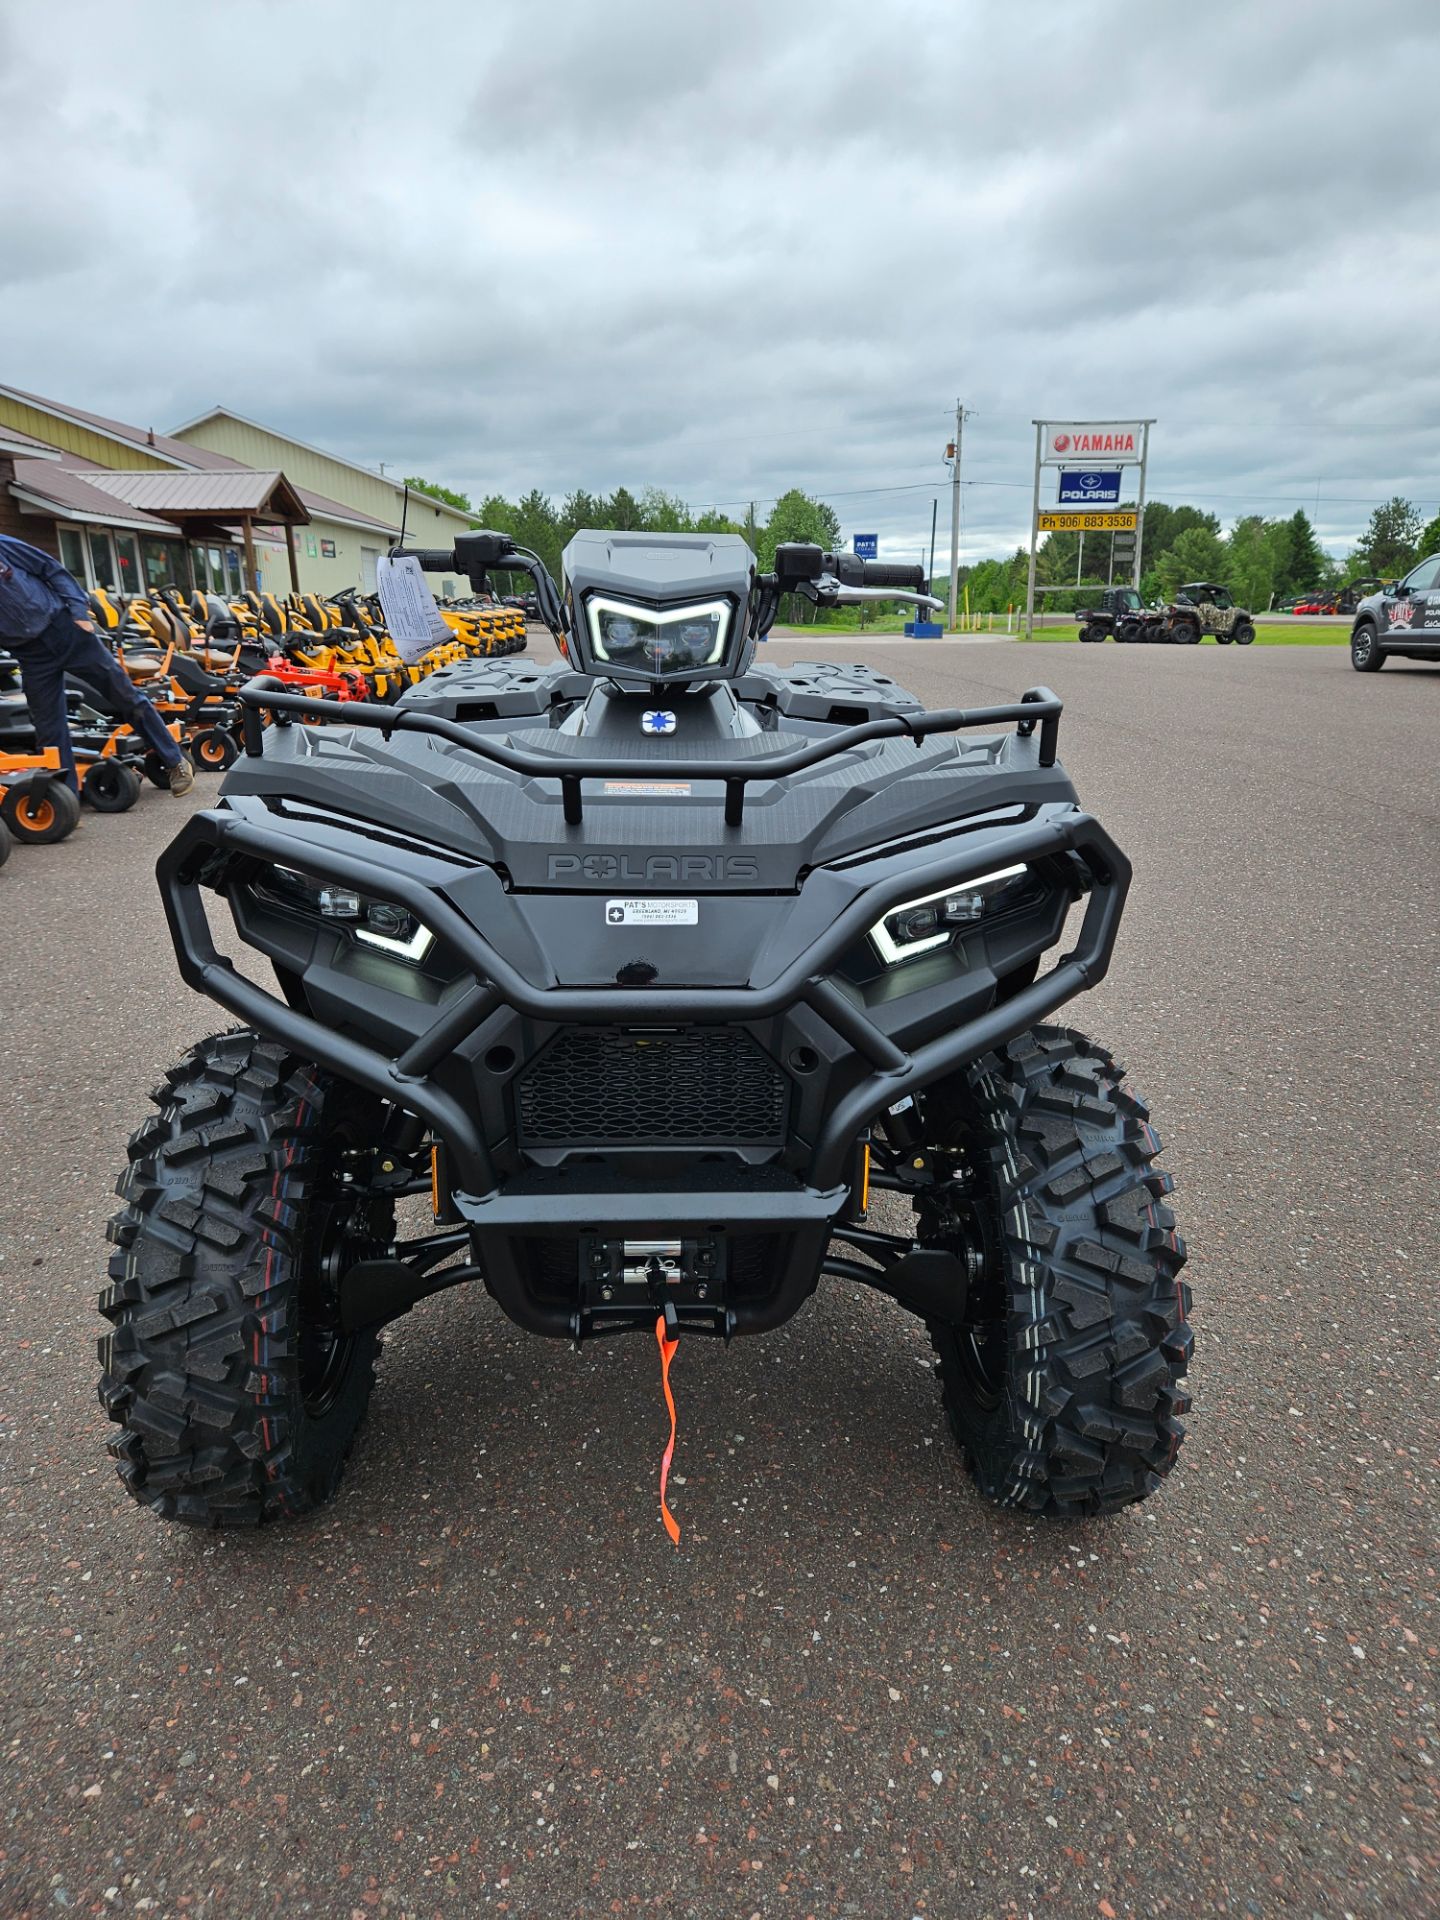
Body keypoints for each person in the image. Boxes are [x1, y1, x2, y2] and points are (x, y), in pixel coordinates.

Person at [0, 533, 193, 796]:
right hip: (31, 655)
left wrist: (79, 613)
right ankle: (64, 797)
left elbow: (52, 570)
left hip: (66, 630)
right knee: (49, 727)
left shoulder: (4, 546)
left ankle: (174, 762)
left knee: (125, 695)